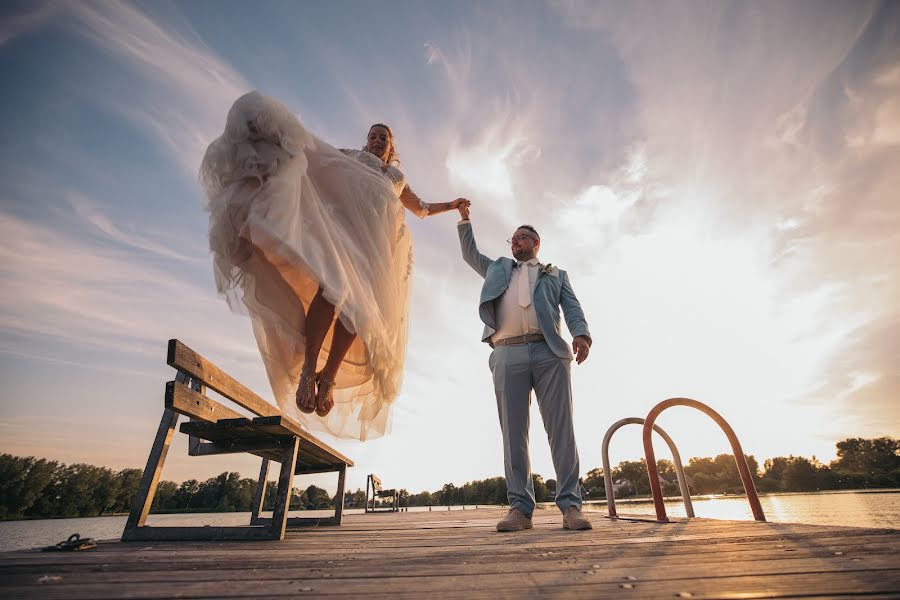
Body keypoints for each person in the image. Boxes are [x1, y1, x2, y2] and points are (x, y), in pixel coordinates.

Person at [200, 91, 469, 441]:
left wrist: (454, 205)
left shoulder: (396, 178)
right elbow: (313, 158)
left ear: (391, 148)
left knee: (359, 313)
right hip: (343, 240)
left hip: (376, 253)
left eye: (382, 138)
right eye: (372, 135)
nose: (375, 140)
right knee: (332, 294)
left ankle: (328, 376)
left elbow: (422, 209)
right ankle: (310, 369)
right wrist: (275, 136)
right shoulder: (350, 158)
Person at [456, 203, 593, 531]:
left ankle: (571, 506)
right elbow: (470, 253)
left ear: (536, 243)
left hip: (550, 354)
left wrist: (582, 335)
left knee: (561, 430)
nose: (515, 242)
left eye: (522, 238)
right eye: (513, 239)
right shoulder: (497, 268)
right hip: (506, 352)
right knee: (513, 433)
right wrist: (464, 219)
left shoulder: (555, 274)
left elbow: (572, 307)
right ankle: (519, 509)